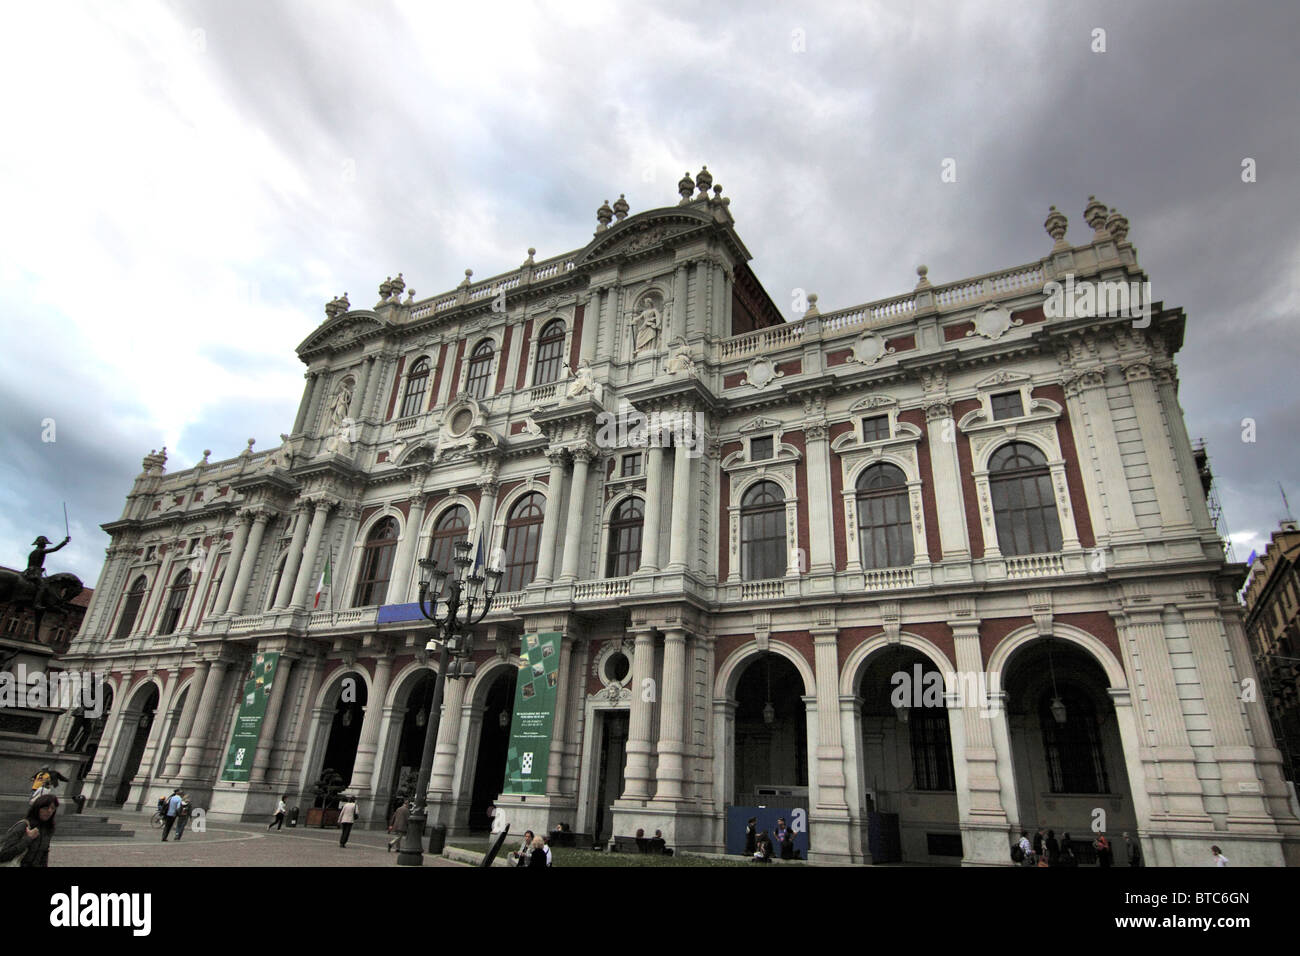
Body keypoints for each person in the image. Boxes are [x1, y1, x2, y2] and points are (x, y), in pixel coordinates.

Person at [1, 794, 57, 867]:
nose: (49, 811)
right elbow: (3, 855)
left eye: (52, 808)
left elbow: (43, 854)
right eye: (45, 808)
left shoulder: (48, 829)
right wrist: (28, 839)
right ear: (37, 809)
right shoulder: (23, 826)